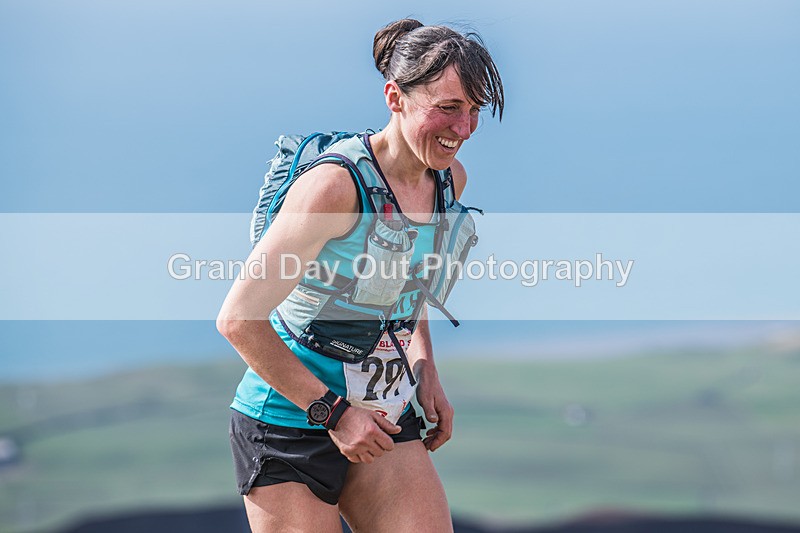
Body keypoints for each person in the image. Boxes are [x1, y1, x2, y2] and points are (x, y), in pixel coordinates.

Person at [217, 18, 503, 533]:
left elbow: (407, 286)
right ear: (395, 97)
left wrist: (424, 366)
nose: (464, 130)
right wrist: (335, 414)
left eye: (474, 110)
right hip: (289, 422)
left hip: (382, 413)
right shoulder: (334, 188)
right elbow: (238, 320)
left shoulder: (448, 181)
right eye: (448, 108)